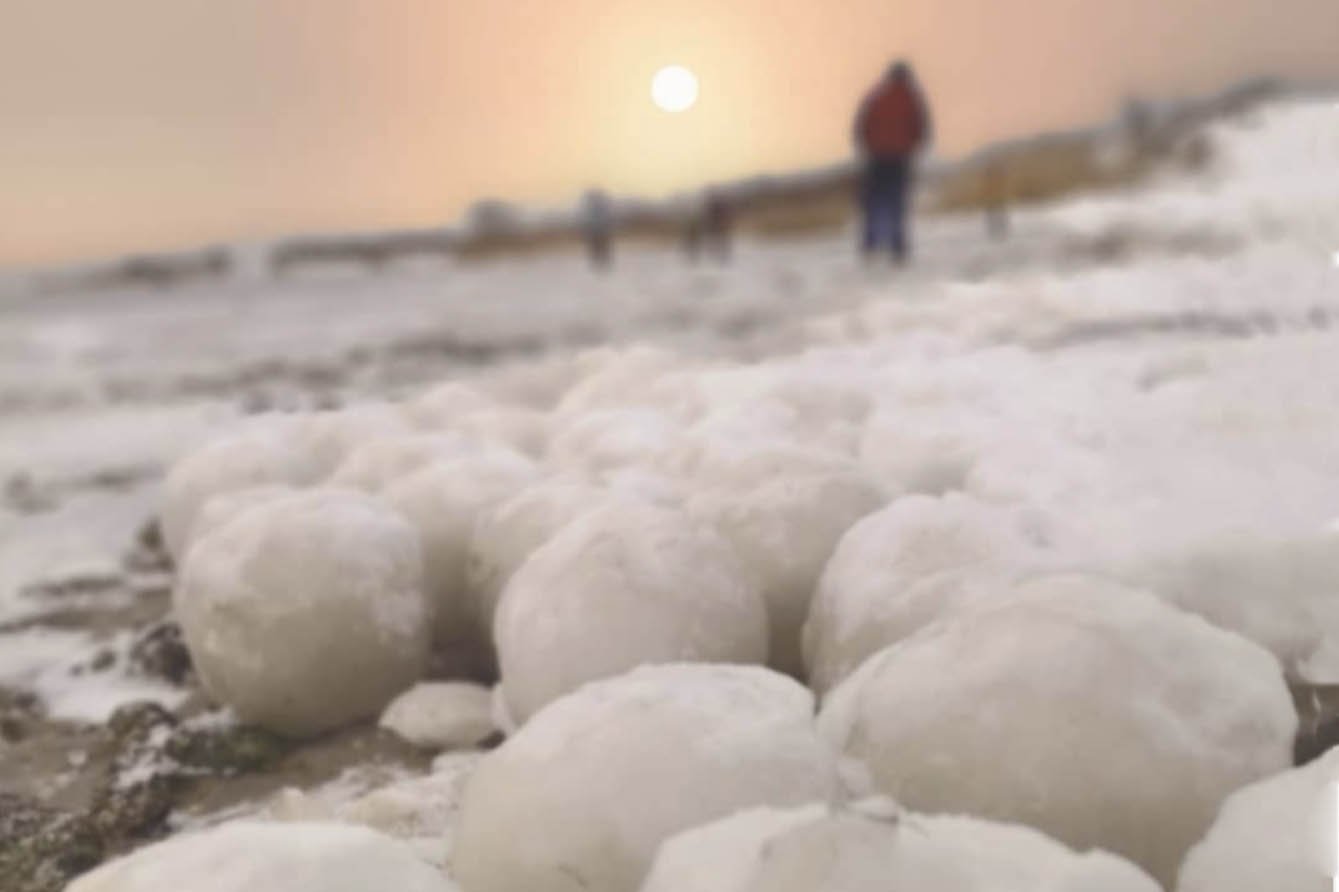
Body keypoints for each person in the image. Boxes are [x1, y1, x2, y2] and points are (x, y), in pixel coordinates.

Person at [852, 60, 932, 263]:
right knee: (896, 202)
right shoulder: (912, 99)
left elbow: (861, 125)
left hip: (877, 156)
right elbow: (921, 128)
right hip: (899, 158)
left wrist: (867, 147)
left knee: (873, 203)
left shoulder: (877, 96)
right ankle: (897, 247)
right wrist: (912, 147)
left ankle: (870, 245)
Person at [582, 189, 614, 270]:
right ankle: (599, 260)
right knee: (598, 247)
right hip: (598, 231)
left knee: (601, 247)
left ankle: (601, 260)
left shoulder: (597, 207)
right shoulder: (596, 208)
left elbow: (606, 219)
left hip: (599, 231)